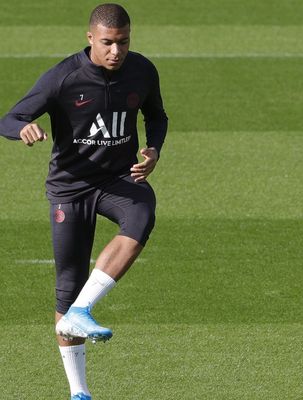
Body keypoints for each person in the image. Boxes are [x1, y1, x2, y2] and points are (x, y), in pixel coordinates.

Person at [0, 3, 168, 400]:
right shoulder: (63, 77)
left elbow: (157, 115)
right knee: (67, 284)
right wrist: (24, 127)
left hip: (117, 179)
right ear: (90, 38)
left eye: (123, 42)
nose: (116, 51)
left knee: (142, 213)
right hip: (70, 188)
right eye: (107, 43)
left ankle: (83, 310)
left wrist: (154, 150)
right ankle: (79, 393)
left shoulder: (142, 70)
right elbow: (7, 119)